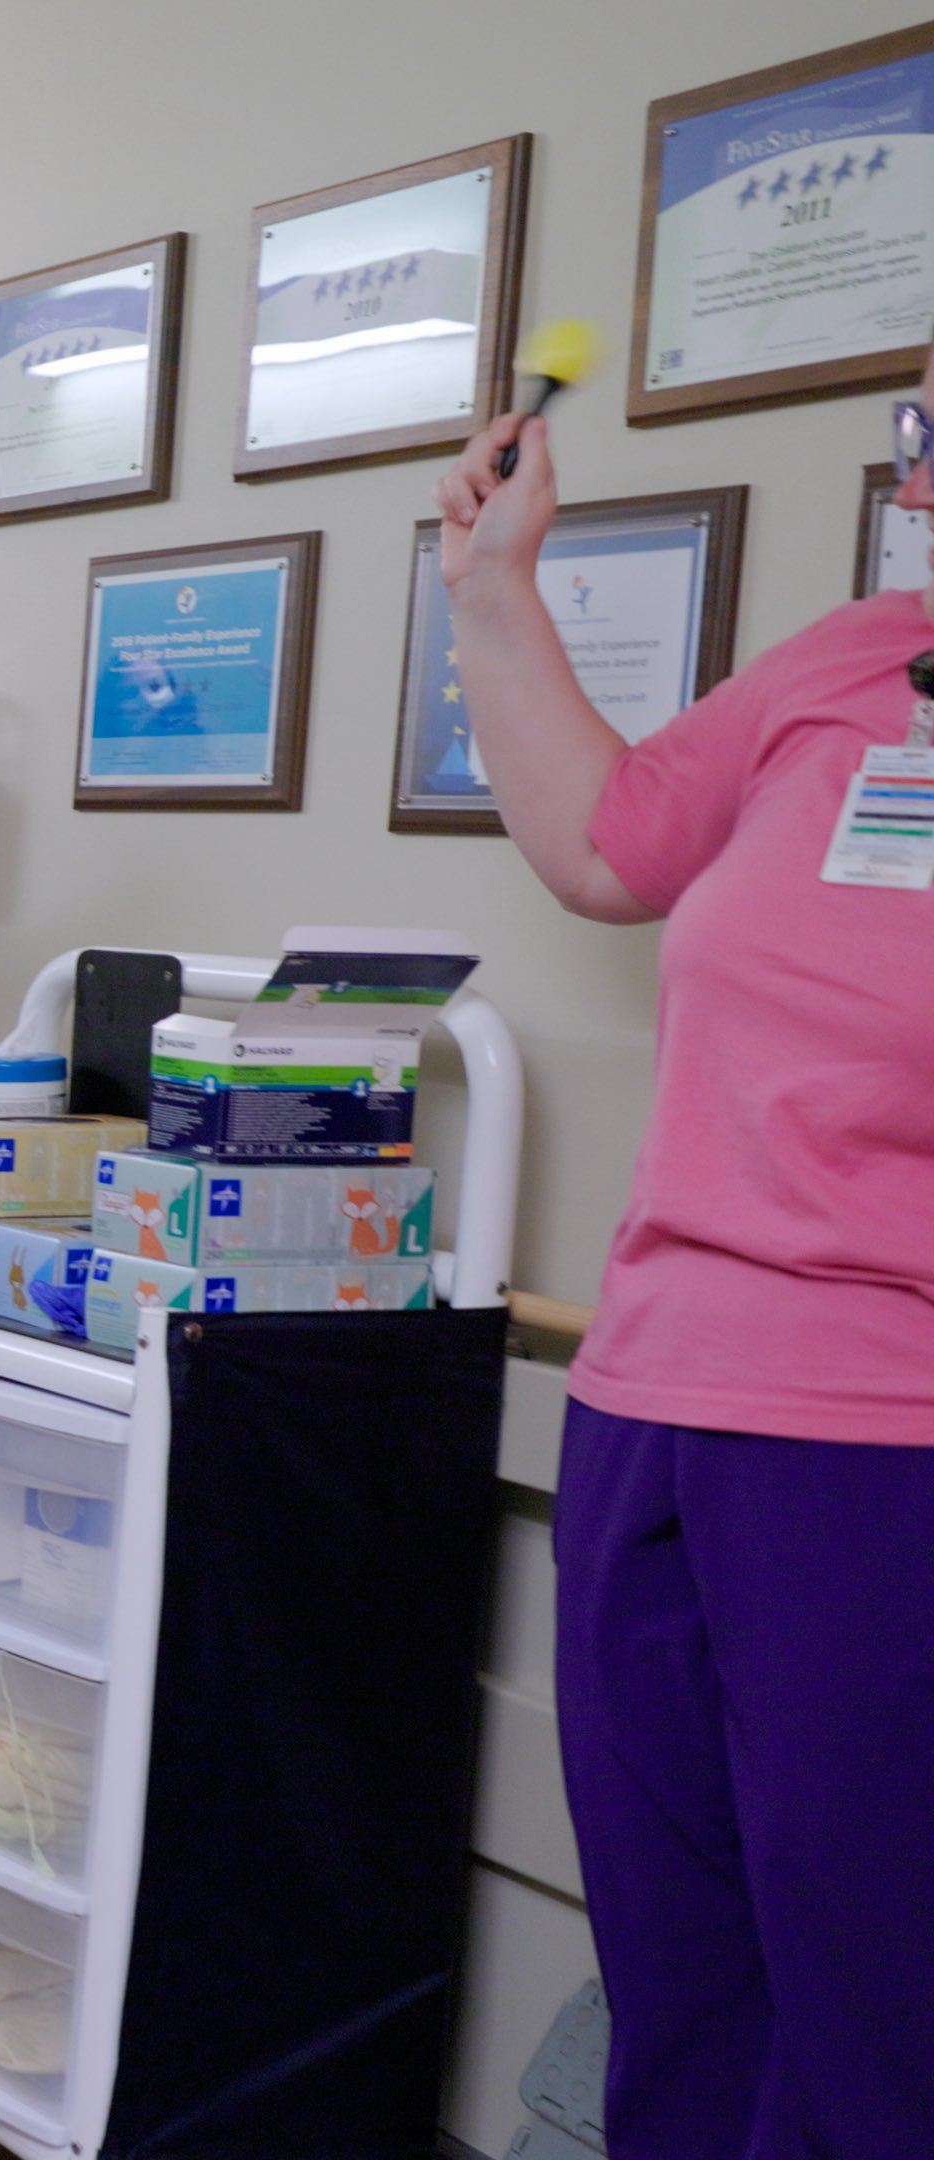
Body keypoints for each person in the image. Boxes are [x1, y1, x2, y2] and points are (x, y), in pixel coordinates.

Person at [434, 377, 934, 2154]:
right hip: (649, 1399)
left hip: (885, 1449)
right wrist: (495, 590)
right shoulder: (854, 661)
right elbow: (610, 836)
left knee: (872, 2019)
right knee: (680, 1977)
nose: (919, 465)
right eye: (921, 427)